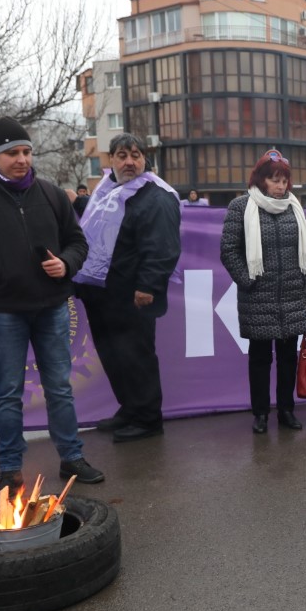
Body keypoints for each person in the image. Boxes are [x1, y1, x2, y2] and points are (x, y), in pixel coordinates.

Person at [0, 116, 104, 492]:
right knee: (9, 392)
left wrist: (67, 264)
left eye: (27, 152)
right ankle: (10, 470)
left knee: (59, 387)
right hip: (4, 312)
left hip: (53, 309)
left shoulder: (52, 194)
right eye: (13, 153)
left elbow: (78, 243)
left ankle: (71, 458)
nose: (22, 159)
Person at [74, 133, 182, 443]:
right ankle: (130, 408)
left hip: (134, 295)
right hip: (103, 294)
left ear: (144, 160)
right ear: (111, 161)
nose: (130, 161)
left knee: (136, 356)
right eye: (122, 155)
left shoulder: (156, 196)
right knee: (113, 355)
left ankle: (148, 418)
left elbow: (162, 246)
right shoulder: (107, 192)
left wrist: (147, 284)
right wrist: (78, 200)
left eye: (135, 155)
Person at [220, 150, 306, 434]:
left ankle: (286, 410)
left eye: (284, 180)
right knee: (260, 359)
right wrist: (248, 280)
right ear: (261, 179)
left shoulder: (295, 208)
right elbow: (229, 251)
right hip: (257, 299)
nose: (280, 186)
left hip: (292, 297)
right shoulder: (240, 207)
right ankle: (261, 413)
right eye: (274, 179)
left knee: (289, 358)